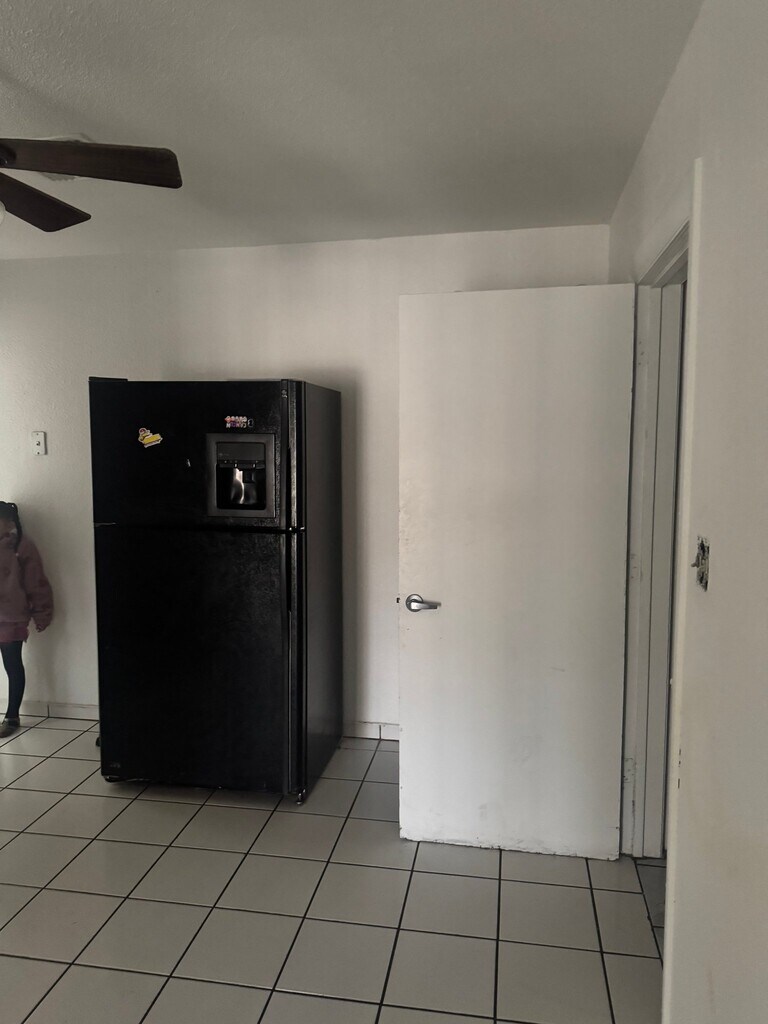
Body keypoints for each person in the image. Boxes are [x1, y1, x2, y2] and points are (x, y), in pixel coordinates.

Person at [0, 502, 53, 738]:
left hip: (12, 617)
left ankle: (12, 716)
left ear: (9, 522)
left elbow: (36, 582)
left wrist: (42, 613)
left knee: (12, 664)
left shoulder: (21, 545)